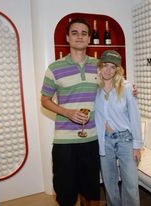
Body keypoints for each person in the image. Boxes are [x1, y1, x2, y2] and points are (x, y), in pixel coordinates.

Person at [40, 18, 100, 206]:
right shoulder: (54, 68)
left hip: (92, 138)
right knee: (65, 191)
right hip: (64, 141)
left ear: (89, 38)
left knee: (89, 189)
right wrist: (68, 112)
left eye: (84, 33)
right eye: (74, 33)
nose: (79, 36)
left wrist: (130, 90)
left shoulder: (99, 66)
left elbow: (114, 91)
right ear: (67, 37)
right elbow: (45, 100)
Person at [95, 50, 143, 206]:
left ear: (117, 69)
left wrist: (137, 146)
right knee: (109, 183)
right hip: (104, 140)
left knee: (130, 184)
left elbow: (135, 117)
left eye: (112, 66)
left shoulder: (127, 87)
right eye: (105, 65)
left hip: (125, 140)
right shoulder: (94, 89)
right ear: (100, 67)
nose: (108, 70)